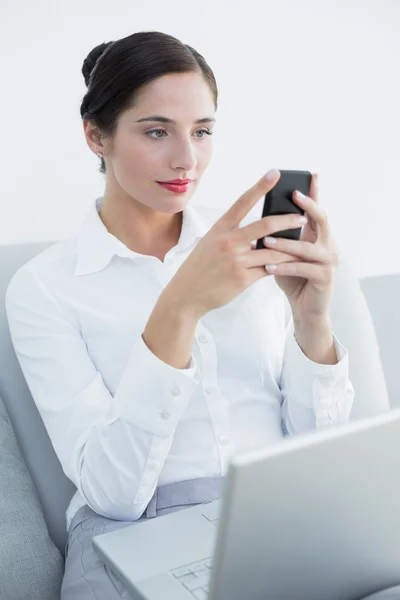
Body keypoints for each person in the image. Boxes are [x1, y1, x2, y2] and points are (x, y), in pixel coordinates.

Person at [5, 29, 397, 600]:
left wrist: (312, 322)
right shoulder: (44, 287)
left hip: (273, 519)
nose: (187, 158)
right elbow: (113, 493)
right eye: (157, 131)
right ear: (96, 136)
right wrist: (182, 307)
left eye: (203, 131)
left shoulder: (246, 244)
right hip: (132, 532)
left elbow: (313, 457)